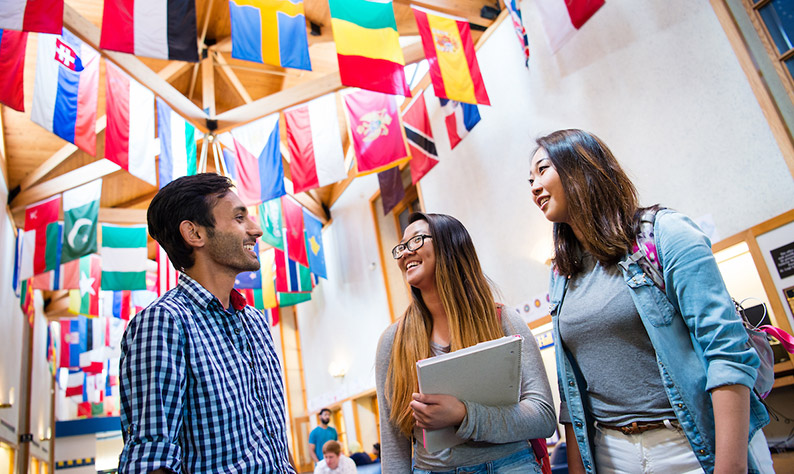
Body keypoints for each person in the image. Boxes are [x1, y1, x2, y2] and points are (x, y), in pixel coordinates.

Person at [528, 129, 774, 474]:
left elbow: (727, 352)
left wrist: (729, 467)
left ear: (582, 166)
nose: (535, 186)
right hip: (610, 453)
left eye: (543, 170)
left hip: (689, 444)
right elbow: (570, 392)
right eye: (530, 179)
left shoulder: (665, 233)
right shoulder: (561, 273)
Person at [118, 173, 295, 473]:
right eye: (239, 218)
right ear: (194, 233)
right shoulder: (164, 323)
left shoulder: (254, 322)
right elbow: (152, 461)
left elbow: (274, 445)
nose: (257, 230)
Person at [375, 212, 556, 473]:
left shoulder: (502, 321)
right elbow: (394, 449)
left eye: (416, 241)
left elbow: (543, 416)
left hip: (511, 465)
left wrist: (463, 414)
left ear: (451, 247)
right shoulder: (392, 342)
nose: (404, 253)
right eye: (402, 246)